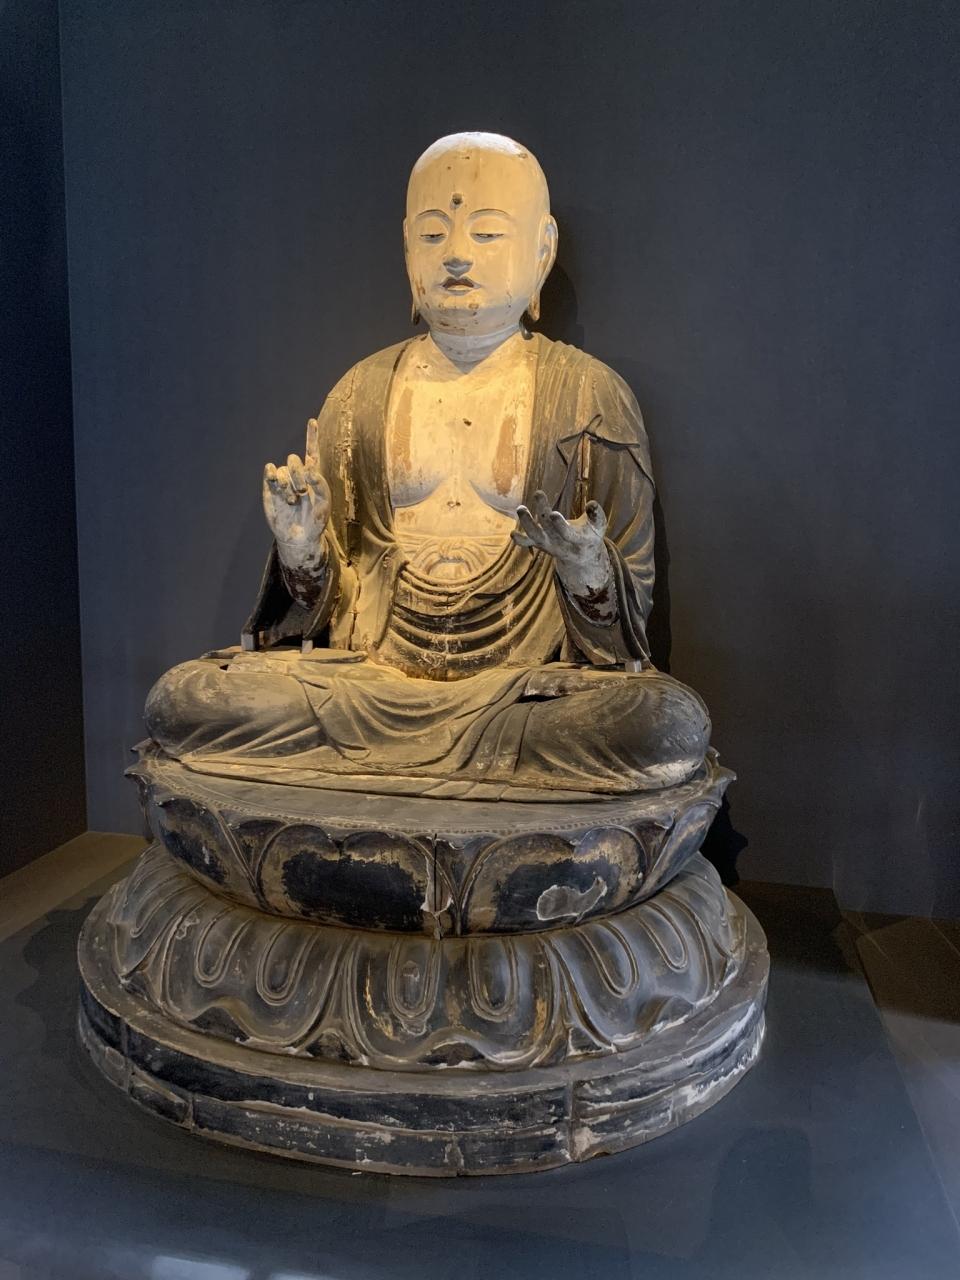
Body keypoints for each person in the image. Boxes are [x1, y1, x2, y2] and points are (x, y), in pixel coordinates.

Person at [145, 132, 710, 799]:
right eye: (434, 235)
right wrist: (301, 551)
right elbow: (324, 609)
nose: (457, 255)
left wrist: (586, 565)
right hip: (368, 683)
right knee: (186, 701)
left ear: (542, 249)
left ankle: (378, 780)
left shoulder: (589, 396)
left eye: (488, 233)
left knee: (661, 726)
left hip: (520, 691)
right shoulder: (358, 393)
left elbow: (625, 629)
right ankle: (450, 782)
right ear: (407, 246)